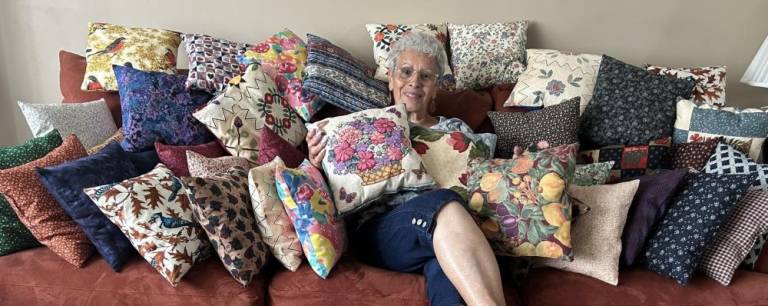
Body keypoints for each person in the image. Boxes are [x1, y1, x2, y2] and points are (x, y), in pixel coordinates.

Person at [305, 32, 505, 306]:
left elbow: (485, 181)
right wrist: (317, 163)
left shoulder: (456, 129)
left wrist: (514, 169)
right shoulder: (363, 125)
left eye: (425, 76)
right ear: (391, 78)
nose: (414, 82)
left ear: (436, 87)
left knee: (448, 269)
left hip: (449, 234)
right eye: (406, 72)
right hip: (382, 233)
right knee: (443, 203)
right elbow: (332, 189)